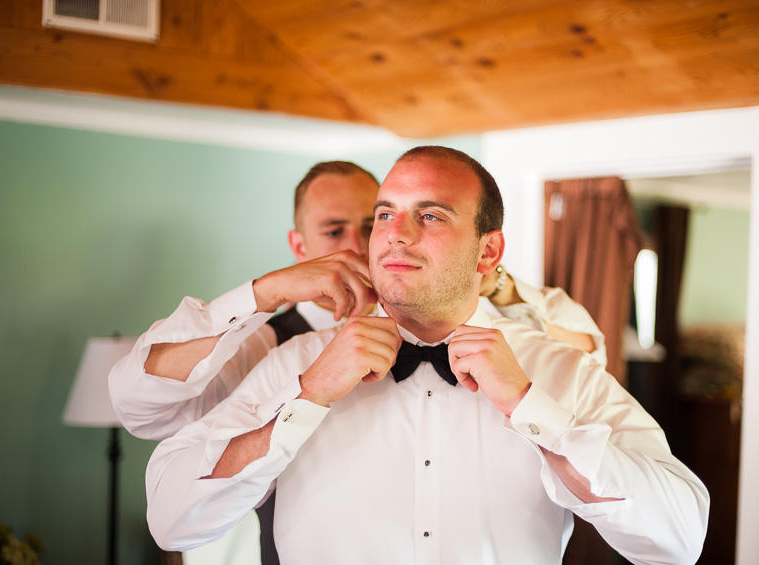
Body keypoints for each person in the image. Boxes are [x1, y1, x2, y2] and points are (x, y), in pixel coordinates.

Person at [143, 146, 709, 564]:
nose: (396, 234)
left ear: (488, 251)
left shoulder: (562, 373)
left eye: (431, 215)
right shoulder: (297, 363)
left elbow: (679, 539)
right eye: (386, 214)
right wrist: (308, 395)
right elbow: (172, 520)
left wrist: (531, 408)